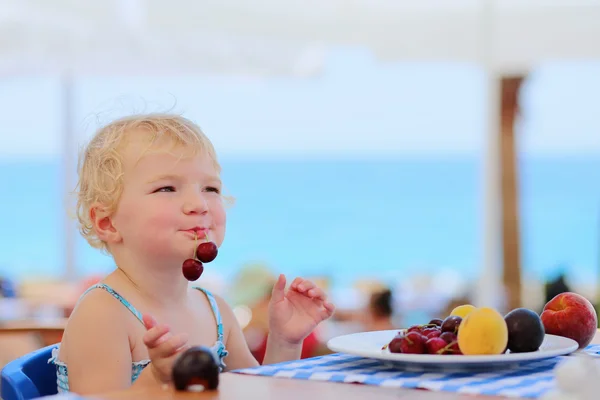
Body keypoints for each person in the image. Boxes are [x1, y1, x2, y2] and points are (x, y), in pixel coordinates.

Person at [49, 114, 335, 395]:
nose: (199, 204)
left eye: (210, 188)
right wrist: (153, 382)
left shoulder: (216, 311)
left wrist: (284, 341)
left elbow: (257, 393)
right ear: (107, 222)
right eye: (167, 188)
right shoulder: (103, 313)